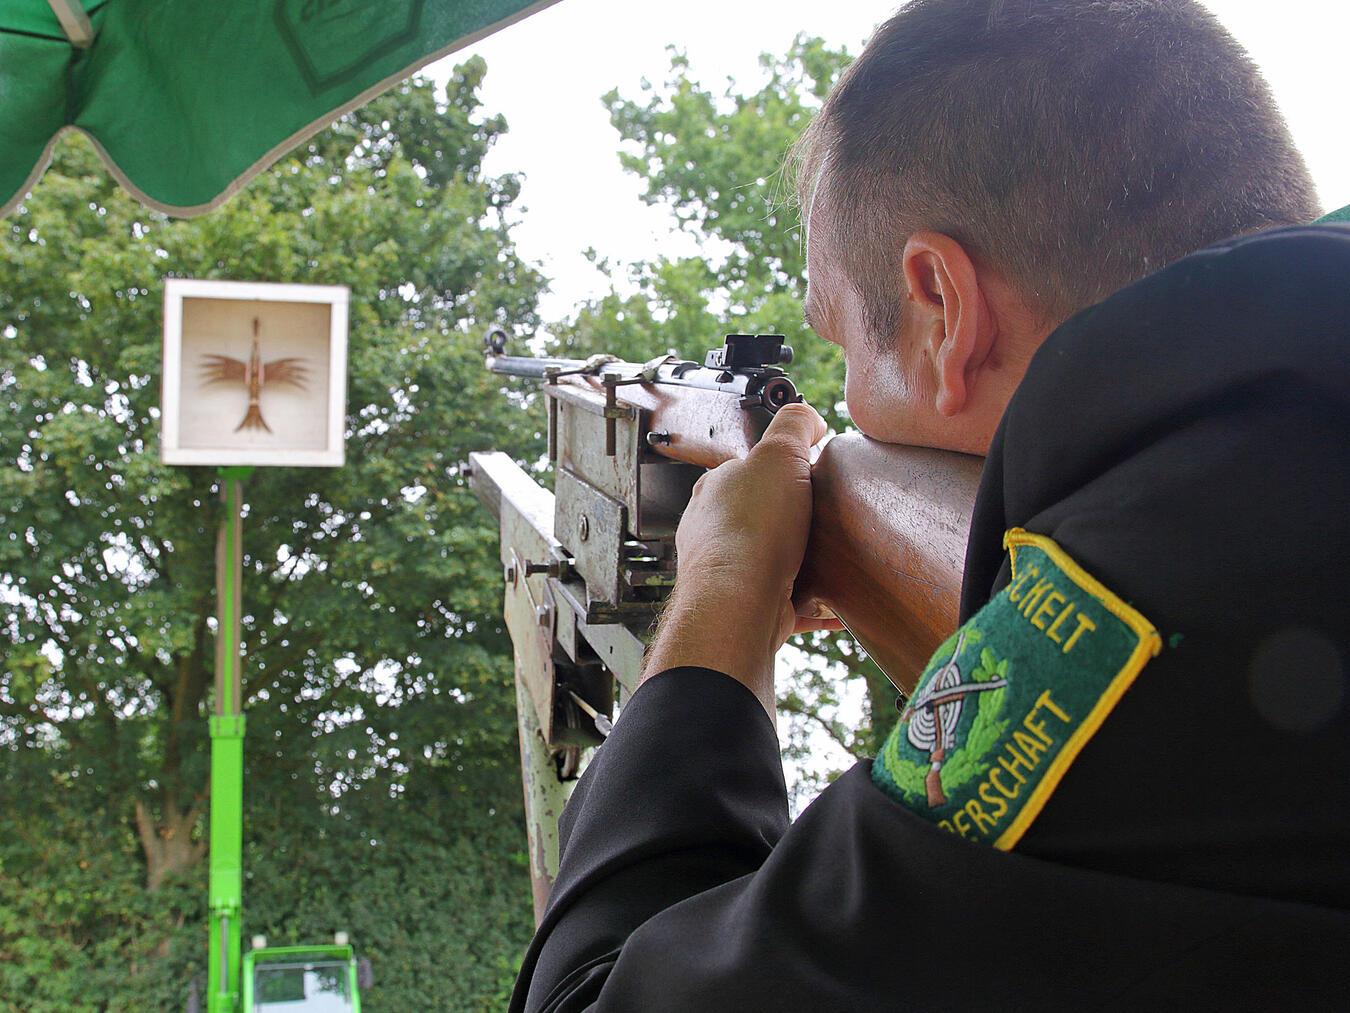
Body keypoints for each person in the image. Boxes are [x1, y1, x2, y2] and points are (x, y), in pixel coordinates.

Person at [511, 1, 1350, 1008]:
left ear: (943, 310)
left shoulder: (1115, 651)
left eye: (841, 345)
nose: (845, 402)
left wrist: (725, 585)